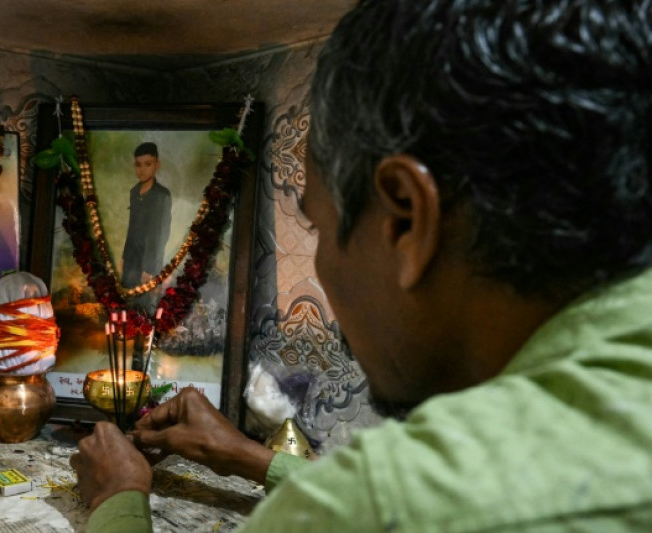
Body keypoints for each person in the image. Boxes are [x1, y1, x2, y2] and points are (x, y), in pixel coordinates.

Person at [70, 0, 652, 530]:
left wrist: (117, 496)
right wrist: (252, 458)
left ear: (404, 220)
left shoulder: (380, 503)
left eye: (319, 225)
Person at [121, 142, 172, 312]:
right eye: (138, 165)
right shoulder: (134, 192)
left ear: (157, 165)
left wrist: (150, 267)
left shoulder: (161, 195)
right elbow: (132, 226)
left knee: (144, 305)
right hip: (132, 257)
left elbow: (160, 233)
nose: (142, 170)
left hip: (148, 259)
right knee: (127, 299)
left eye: (148, 164)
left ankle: (144, 337)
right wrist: (124, 255)